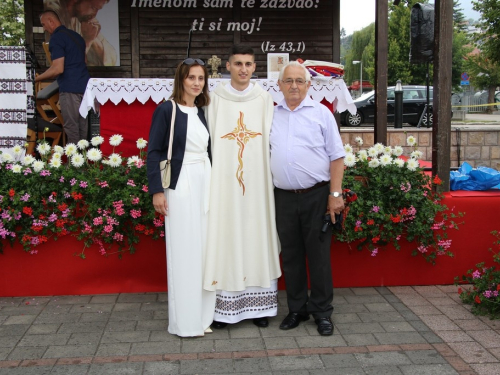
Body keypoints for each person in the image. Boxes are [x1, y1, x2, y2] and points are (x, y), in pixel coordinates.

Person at [203, 45, 281, 329]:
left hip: (257, 183)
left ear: (254, 67)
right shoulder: (214, 100)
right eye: (238, 64)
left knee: (256, 234)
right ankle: (224, 311)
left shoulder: (264, 99)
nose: (243, 69)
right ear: (228, 65)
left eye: (248, 64)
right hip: (223, 183)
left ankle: (259, 307)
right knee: (225, 235)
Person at [270, 61, 345, 336]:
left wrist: (335, 195)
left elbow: (337, 156)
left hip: (317, 195)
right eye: (288, 81)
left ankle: (322, 312)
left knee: (319, 257)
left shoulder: (321, 113)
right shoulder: (271, 114)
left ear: (308, 85)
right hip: (283, 197)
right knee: (290, 256)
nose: (293, 86)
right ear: (279, 85)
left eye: (299, 81)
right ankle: (297, 309)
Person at [146, 58, 215, 337]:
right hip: (180, 183)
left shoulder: (202, 111)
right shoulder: (166, 110)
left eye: (201, 78)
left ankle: (203, 317)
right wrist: (157, 191)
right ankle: (185, 322)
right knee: (184, 251)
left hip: (205, 180)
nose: (196, 83)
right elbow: (153, 152)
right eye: (191, 78)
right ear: (181, 80)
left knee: (204, 249)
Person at [35, 10, 90, 145]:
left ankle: (73, 163)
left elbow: (58, 69)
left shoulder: (56, 38)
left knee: (71, 127)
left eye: (44, 24)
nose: (44, 28)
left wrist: (36, 79)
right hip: (85, 86)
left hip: (70, 87)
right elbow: (85, 61)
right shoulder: (77, 37)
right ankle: (84, 160)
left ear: (51, 22)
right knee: (83, 127)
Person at [43, 0, 117, 66]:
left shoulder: (82, 17)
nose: (94, 14)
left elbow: (111, 56)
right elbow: (66, 64)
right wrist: (88, 40)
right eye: (93, 8)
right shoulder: (54, 13)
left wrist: (93, 38)